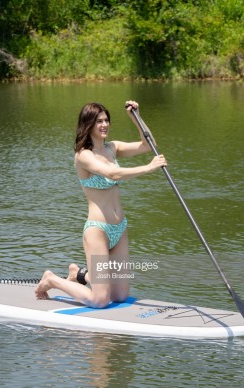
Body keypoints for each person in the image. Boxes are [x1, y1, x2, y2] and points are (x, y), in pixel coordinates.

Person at [35, 100, 167, 308]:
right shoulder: (83, 155)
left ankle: (79, 274)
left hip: (119, 228)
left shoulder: (112, 148)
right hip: (98, 231)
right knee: (100, 300)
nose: (105, 125)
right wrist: (148, 168)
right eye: (99, 121)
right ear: (88, 125)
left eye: (106, 120)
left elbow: (147, 144)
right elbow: (111, 173)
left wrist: (136, 117)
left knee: (121, 296)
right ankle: (52, 279)